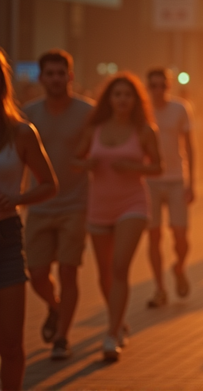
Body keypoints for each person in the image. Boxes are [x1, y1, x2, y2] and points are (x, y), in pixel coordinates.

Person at [73, 73, 162, 361]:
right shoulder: (95, 128)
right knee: (104, 273)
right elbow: (75, 161)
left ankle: (111, 335)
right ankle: (118, 318)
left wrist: (132, 166)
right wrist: (87, 163)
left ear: (136, 100)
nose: (122, 99)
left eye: (128, 95)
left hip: (132, 204)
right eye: (117, 94)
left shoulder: (145, 130)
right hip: (99, 205)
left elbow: (158, 167)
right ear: (108, 99)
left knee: (120, 266)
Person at [22, 50, 93, 361]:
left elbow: (100, 149)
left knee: (68, 271)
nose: (55, 79)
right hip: (37, 205)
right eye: (49, 74)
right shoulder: (27, 113)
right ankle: (55, 307)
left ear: (70, 76)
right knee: (36, 273)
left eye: (60, 73)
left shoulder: (87, 112)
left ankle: (62, 337)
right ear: (41, 78)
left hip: (75, 204)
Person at [0, 49, 58, 390]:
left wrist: (19, 198)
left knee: (10, 343)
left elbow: (50, 184)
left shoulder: (21, 133)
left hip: (6, 237)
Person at [144, 68, 195, 308]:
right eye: (153, 86)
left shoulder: (180, 108)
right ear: (147, 87)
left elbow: (190, 146)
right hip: (150, 182)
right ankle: (159, 288)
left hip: (176, 180)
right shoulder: (142, 111)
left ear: (169, 86)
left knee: (180, 236)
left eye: (162, 85)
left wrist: (192, 182)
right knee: (154, 236)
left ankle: (179, 267)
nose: (158, 90)